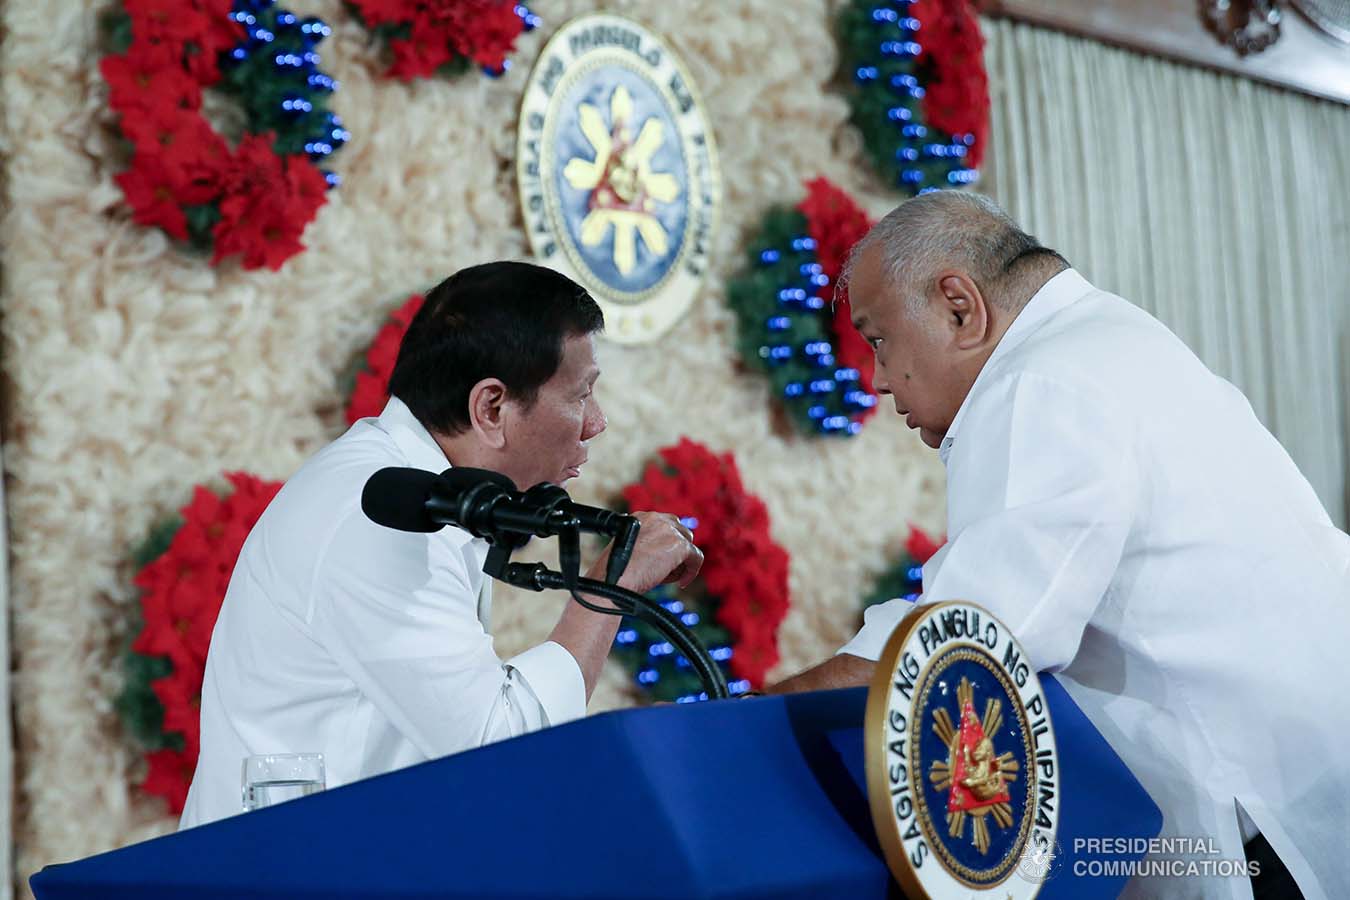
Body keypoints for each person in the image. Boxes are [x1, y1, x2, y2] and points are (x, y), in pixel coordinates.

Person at [772, 192, 1350, 900]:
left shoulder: (1039, 381)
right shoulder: (1116, 339)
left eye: (879, 338)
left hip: (1267, 821)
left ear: (960, 307)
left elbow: (974, 640)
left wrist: (754, 727)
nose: (879, 379)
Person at [180, 261, 702, 827]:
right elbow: (499, 747)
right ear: (492, 409)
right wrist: (610, 587)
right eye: (582, 395)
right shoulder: (380, 512)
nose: (596, 423)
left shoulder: (416, 486)